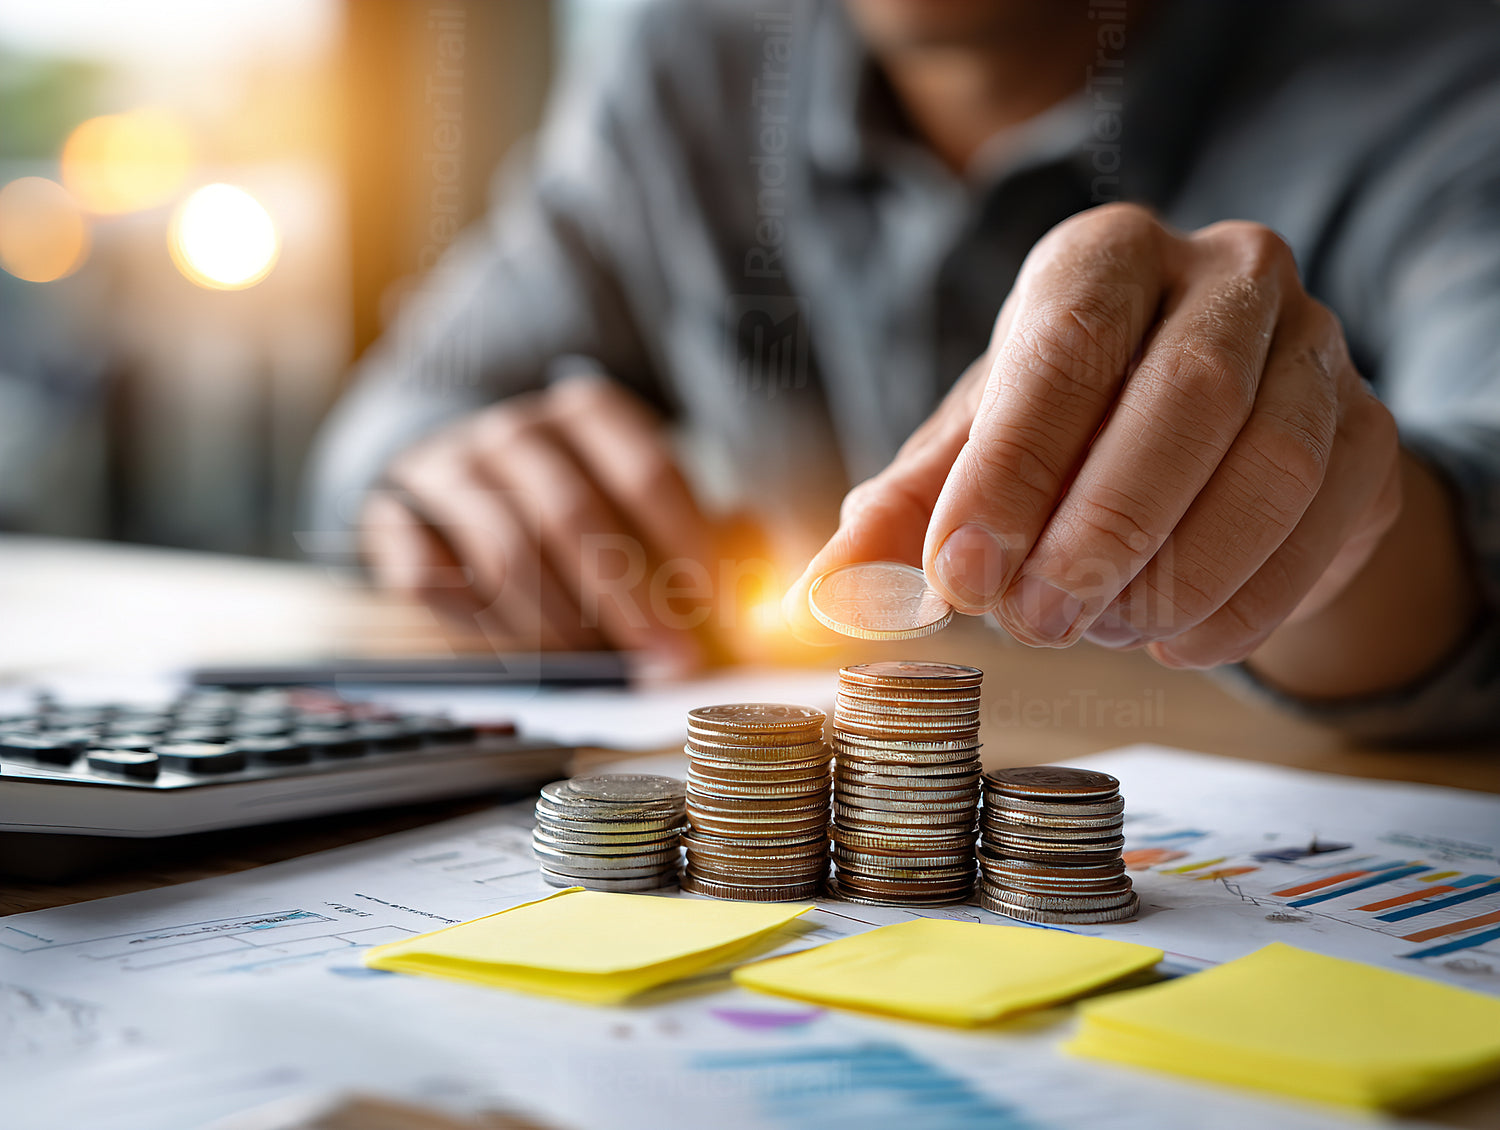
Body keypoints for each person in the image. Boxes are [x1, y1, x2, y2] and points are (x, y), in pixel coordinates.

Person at [306, 0, 1500, 741]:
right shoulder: (689, 64)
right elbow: (392, 418)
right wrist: (439, 473)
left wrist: (1337, 530)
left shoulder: (1445, 80)